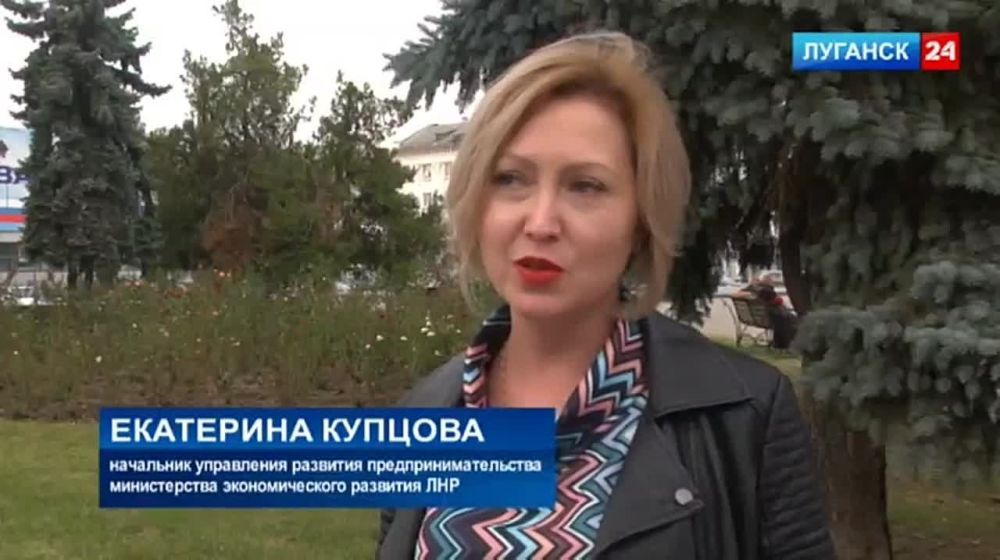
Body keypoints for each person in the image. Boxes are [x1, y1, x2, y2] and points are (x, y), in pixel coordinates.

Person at [377, 32, 833, 560]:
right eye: (511, 179)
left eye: (585, 186)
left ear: (640, 222)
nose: (540, 222)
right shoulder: (426, 411)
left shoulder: (745, 413)